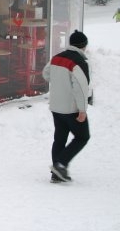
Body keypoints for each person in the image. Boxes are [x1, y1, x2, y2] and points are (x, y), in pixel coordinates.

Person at [42, 30, 92, 183]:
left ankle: (56, 174)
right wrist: (82, 110)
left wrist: (60, 82)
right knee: (82, 137)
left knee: (59, 139)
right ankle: (60, 165)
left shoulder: (57, 57)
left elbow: (46, 74)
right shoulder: (79, 62)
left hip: (56, 106)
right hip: (71, 109)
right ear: (84, 45)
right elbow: (81, 88)